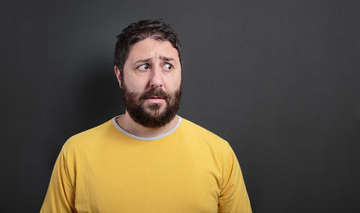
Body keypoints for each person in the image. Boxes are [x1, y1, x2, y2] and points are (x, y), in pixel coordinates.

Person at [41, 20, 252, 213]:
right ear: (119, 75)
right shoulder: (76, 154)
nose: (157, 81)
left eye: (168, 66)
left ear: (180, 74)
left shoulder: (220, 155)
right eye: (144, 66)